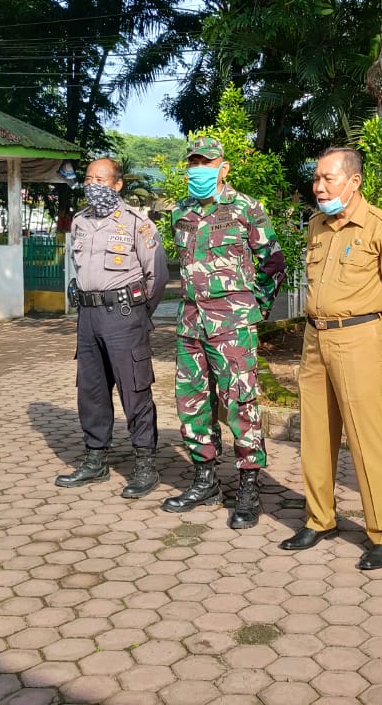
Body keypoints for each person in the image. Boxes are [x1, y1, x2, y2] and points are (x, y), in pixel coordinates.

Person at [280, 146, 382, 571]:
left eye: (329, 179)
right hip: (314, 339)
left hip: (358, 337)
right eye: (316, 178)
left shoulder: (381, 227)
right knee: (316, 434)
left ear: (354, 182)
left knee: (368, 437)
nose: (319, 187)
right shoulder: (317, 225)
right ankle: (320, 519)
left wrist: (369, 329)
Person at [161, 136, 287, 528]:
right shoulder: (180, 211)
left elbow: (274, 262)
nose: (198, 168)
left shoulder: (246, 208)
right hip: (190, 324)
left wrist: (252, 311)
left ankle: (249, 486)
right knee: (192, 402)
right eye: (194, 162)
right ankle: (206, 480)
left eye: (206, 161)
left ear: (223, 167)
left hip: (232, 326)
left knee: (240, 403)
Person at [56, 158, 169, 495]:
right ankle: (95, 460)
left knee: (134, 390)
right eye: (89, 179)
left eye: (101, 180)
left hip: (124, 315)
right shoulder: (80, 221)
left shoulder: (137, 223)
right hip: (88, 318)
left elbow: (158, 275)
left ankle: (145, 465)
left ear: (118, 185)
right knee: (90, 390)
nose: (93, 185)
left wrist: (138, 314)